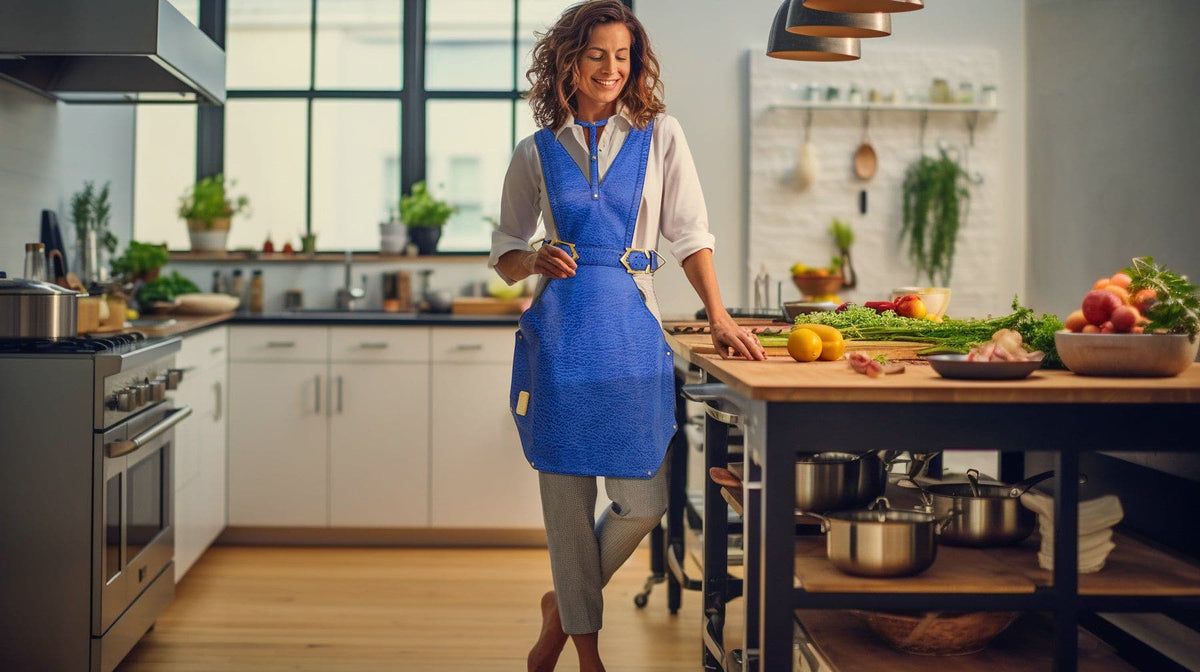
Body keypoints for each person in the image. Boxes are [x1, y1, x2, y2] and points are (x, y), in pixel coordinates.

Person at [488, 2, 766, 670]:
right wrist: (534, 257)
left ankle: (560, 611)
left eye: (623, 56)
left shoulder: (660, 135)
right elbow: (503, 256)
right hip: (559, 339)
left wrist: (720, 316)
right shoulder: (534, 151)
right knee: (566, 504)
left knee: (644, 501)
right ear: (568, 62)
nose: (612, 69)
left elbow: (691, 236)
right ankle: (586, 654)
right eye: (596, 55)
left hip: (631, 338)